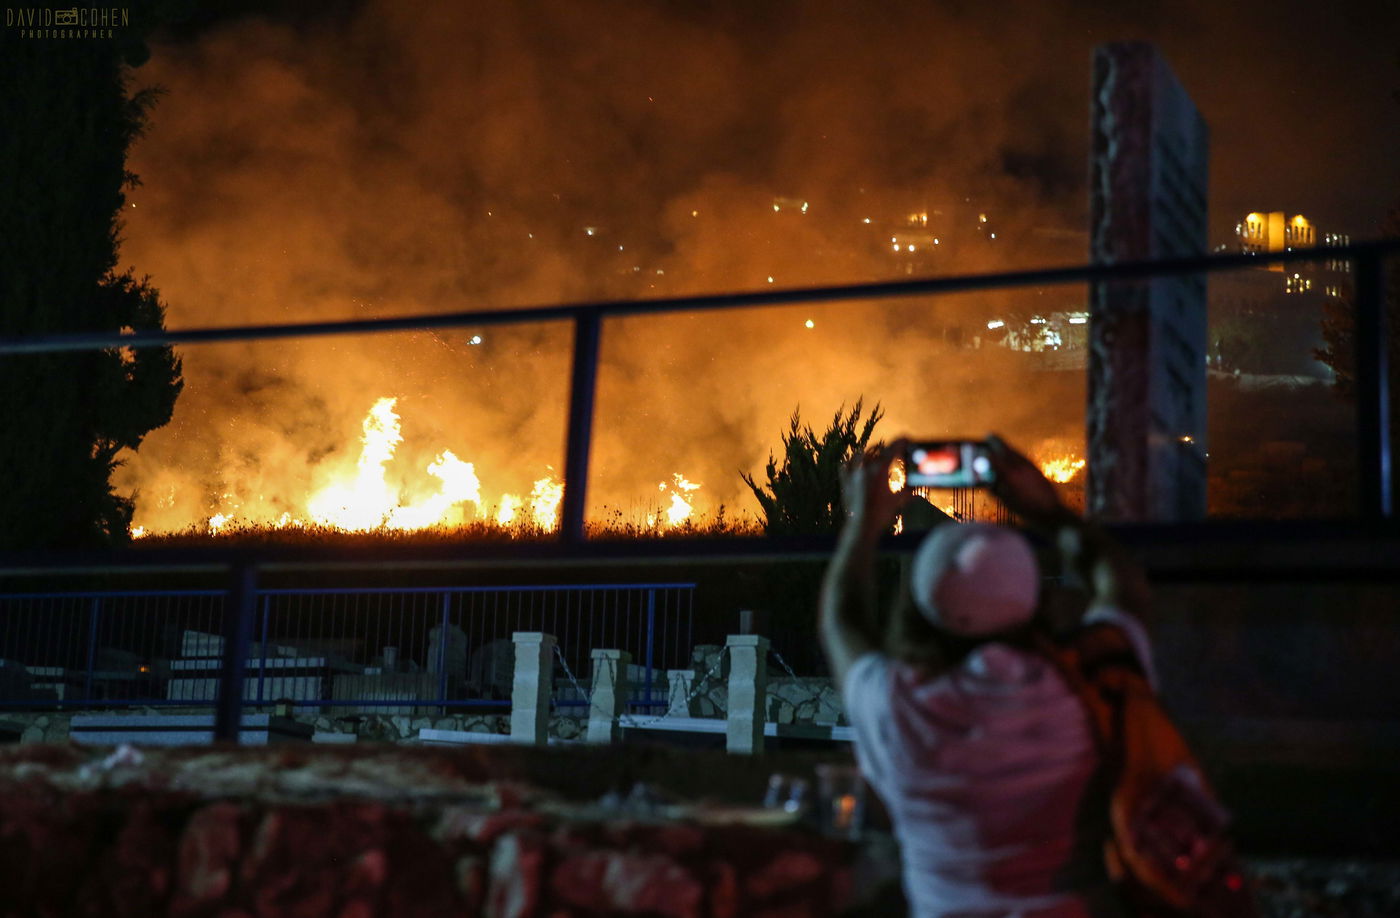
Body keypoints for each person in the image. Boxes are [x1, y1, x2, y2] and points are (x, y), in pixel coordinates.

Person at [819, 435, 1156, 918]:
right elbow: (1124, 585)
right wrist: (1048, 511)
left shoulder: (896, 705)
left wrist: (864, 523)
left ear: (917, 609)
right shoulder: (1091, 682)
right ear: (1036, 601)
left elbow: (839, 618)